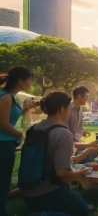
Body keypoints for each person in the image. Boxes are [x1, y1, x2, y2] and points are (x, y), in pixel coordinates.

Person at [20, 92, 98, 216]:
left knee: (78, 205)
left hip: (26, 193)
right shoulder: (63, 133)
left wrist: (88, 149)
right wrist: (80, 172)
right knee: (82, 211)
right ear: (62, 109)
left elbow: (57, 160)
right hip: (47, 193)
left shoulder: (34, 129)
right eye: (68, 108)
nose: (69, 112)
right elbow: (62, 173)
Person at [0, 67, 35, 215]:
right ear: (20, 81)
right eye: (29, 80)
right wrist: (20, 134)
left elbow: (11, 116)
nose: (31, 84)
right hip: (3, 144)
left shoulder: (10, 96)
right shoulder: (5, 96)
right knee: (3, 181)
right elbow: (2, 123)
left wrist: (25, 109)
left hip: (7, 143)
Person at [65, 86, 98, 164]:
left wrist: (82, 131)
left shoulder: (80, 109)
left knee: (95, 152)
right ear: (79, 97)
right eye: (86, 97)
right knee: (90, 153)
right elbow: (65, 130)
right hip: (70, 145)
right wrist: (87, 145)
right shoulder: (67, 109)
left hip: (78, 142)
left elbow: (79, 126)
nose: (87, 99)